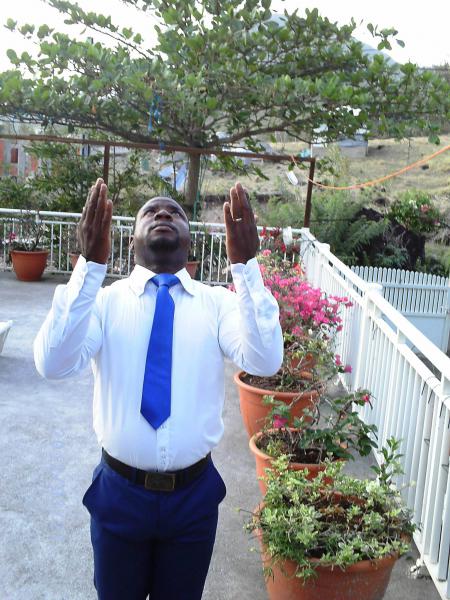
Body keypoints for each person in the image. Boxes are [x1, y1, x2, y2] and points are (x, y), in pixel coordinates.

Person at [34, 178, 283, 600]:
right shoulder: (104, 301)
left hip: (193, 498)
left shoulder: (218, 303)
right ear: (130, 238)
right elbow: (53, 363)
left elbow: (265, 360)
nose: (164, 213)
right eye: (150, 211)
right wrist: (88, 267)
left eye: (176, 212)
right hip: (119, 495)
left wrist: (246, 267)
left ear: (189, 239)